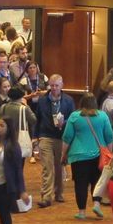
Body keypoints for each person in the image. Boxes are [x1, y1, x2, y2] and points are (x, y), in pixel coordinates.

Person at [62, 94, 113, 220]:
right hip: (98, 155)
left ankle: (81, 212)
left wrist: (63, 154)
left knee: (80, 184)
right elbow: (109, 136)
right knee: (97, 182)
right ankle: (96, 203)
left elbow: (67, 137)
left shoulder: (75, 116)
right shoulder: (102, 116)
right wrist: (109, 153)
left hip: (79, 156)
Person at [33, 75, 74, 209]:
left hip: (62, 137)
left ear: (62, 85)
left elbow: (73, 119)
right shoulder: (42, 101)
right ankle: (46, 196)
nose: (54, 88)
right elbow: (37, 119)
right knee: (47, 167)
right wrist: (35, 138)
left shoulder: (68, 100)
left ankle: (59, 192)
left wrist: (64, 122)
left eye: (57, 85)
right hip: (46, 136)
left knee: (59, 166)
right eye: (52, 85)